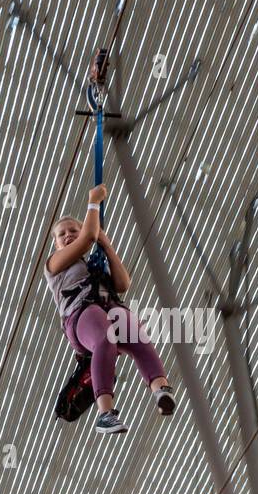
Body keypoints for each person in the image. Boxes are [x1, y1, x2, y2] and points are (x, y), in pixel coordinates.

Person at [45, 183, 177, 434]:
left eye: (73, 230)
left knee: (138, 337)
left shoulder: (95, 264)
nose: (68, 235)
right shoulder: (55, 265)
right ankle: (105, 412)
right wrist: (93, 202)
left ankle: (161, 390)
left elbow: (123, 283)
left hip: (109, 309)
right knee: (105, 337)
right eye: (62, 234)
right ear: (56, 244)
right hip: (82, 317)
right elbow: (86, 240)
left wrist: (107, 246)